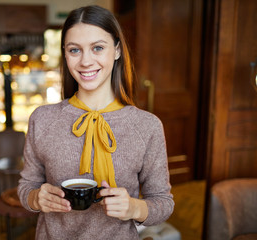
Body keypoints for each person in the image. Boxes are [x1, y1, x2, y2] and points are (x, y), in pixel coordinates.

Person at [17, 5, 174, 239]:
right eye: (74, 50)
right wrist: (36, 198)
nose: (86, 61)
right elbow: (26, 186)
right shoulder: (43, 119)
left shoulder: (147, 126)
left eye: (98, 48)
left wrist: (133, 207)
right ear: (65, 54)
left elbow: (163, 202)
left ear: (117, 50)